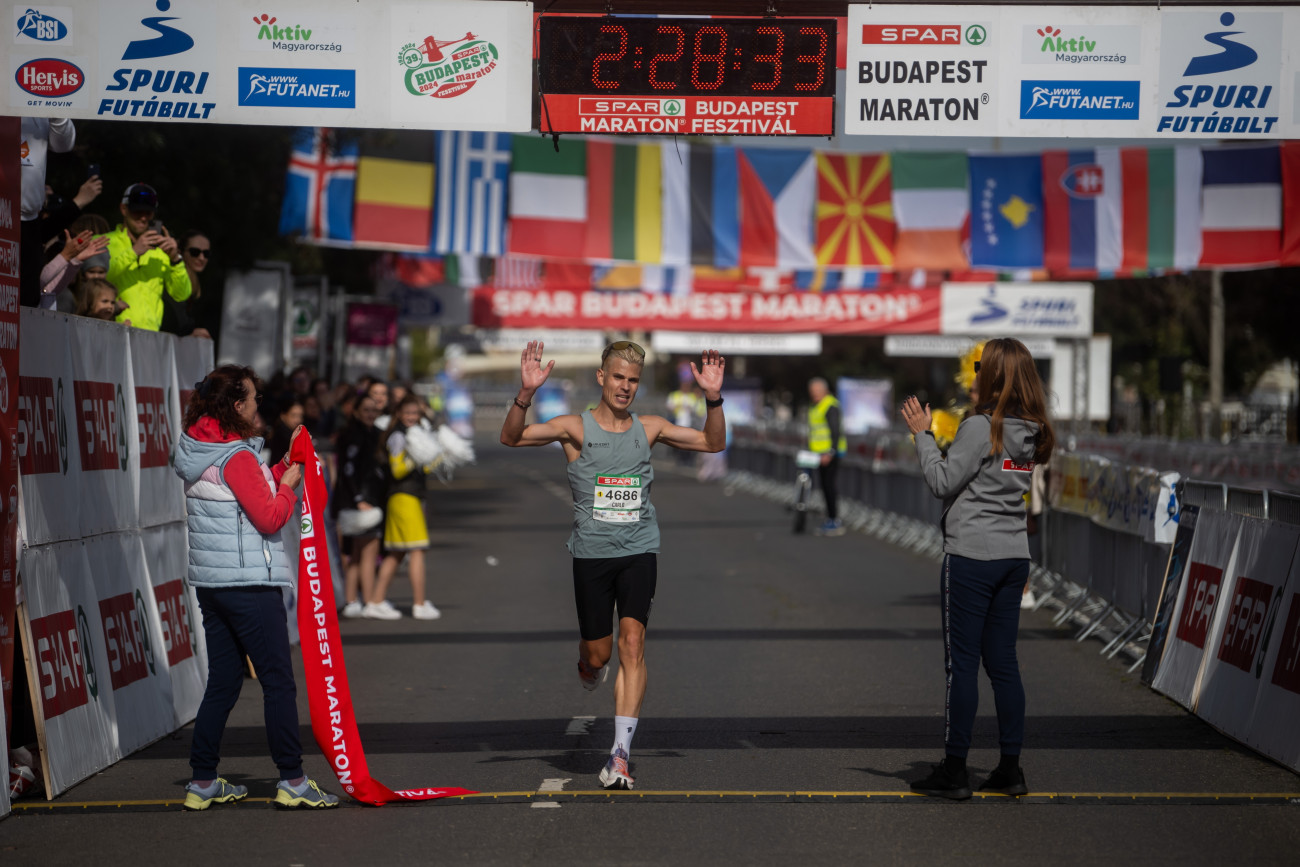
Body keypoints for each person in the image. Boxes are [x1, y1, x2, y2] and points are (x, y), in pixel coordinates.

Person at [500, 339, 726, 790]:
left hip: (640, 548)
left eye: (633, 380)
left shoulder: (651, 426)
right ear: (602, 378)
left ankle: (620, 754)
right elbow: (512, 437)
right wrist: (525, 394)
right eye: (618, 377)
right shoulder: (574, 428)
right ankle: (588, 666)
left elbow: (712, 442)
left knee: (632, 642)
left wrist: (713, 397)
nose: (625, 387)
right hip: (591, 554)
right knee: (599, 653)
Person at [172, 365, 339, 810]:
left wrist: (286, 464)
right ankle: (293, 779)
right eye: (252, 398)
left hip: (213, 583)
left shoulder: (199, 446)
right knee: (278, 683)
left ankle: (202, 781)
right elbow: (268, 516)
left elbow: (246, 495)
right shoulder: (237, 457)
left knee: (223, 683)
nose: (258, 405)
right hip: (249, 583)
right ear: (236, 405)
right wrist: (289, 486)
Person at [899, 337, 1056, 801]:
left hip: (971, 555)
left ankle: (954, 768)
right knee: (1004, 664)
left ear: (994, 374)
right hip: (1012, 554)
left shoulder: (981, 427)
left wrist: (923, 436)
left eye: (979, 366)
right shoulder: (1032, 428)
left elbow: (941, 480)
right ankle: (1010, 768)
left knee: (961, 667)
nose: (973, 373)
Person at [372, 394, 441, 620]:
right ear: (399, 414)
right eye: (408, 413)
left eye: (415, 413)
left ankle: (377, 600)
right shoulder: (398, 437)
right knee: (417, 549)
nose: (411, 417)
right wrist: (415, 457)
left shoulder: (414, 433)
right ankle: (419, 604)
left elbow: (425, 469)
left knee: (396, 553)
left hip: (409, 497)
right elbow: (397, 470)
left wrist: (435, 458)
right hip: (403, 498)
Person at [105, 182, 192, 331]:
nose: (143, 218)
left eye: (148, 212)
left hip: (149, 338)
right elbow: (95, 282)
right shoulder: (103, 242)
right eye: (137, 211)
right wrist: (133, 252)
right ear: (123, 209)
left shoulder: (162, 251)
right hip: (109, 330)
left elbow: (181, 295)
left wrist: (176, 259)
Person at [333, 393, 389, 619]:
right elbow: (347, 471)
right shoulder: (352, 436)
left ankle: (352, 600)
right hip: (359, 503)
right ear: (355, 412)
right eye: (365, 410)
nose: (370, 414)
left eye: (373, 410)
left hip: (364, 499)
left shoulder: (375, 434)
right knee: (367, 552)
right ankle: (370, 601)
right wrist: (359, 499)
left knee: (356, 554)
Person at [20, 117, 74, 307]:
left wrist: (55, 105)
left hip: (27, 221)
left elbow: (63, 144)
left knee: (24, 301)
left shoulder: (40, 104)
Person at [807, 377, 846, 536]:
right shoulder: (815, 406)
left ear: (825, 391)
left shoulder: (830, 405)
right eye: (812, 392)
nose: (814, 395)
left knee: (829, 486)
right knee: (823, 486)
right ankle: (830, 517)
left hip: (829, 454)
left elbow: (835, 431)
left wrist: (830, 452)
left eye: (817, 392)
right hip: (817, 454)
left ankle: (834, 520)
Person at [161, 230, 213, 339]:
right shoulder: (171, 277)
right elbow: (171, 320)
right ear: (180, 251)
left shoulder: (199, 282)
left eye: (206, 253)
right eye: (195, 252)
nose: (201, 258)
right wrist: (189, 333)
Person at [268, 396, 303, 466]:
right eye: (293, 415)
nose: (298, 420)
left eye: (300, 416)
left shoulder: (291, 432)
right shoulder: (282, 433)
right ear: (283, 416)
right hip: (279, 474)